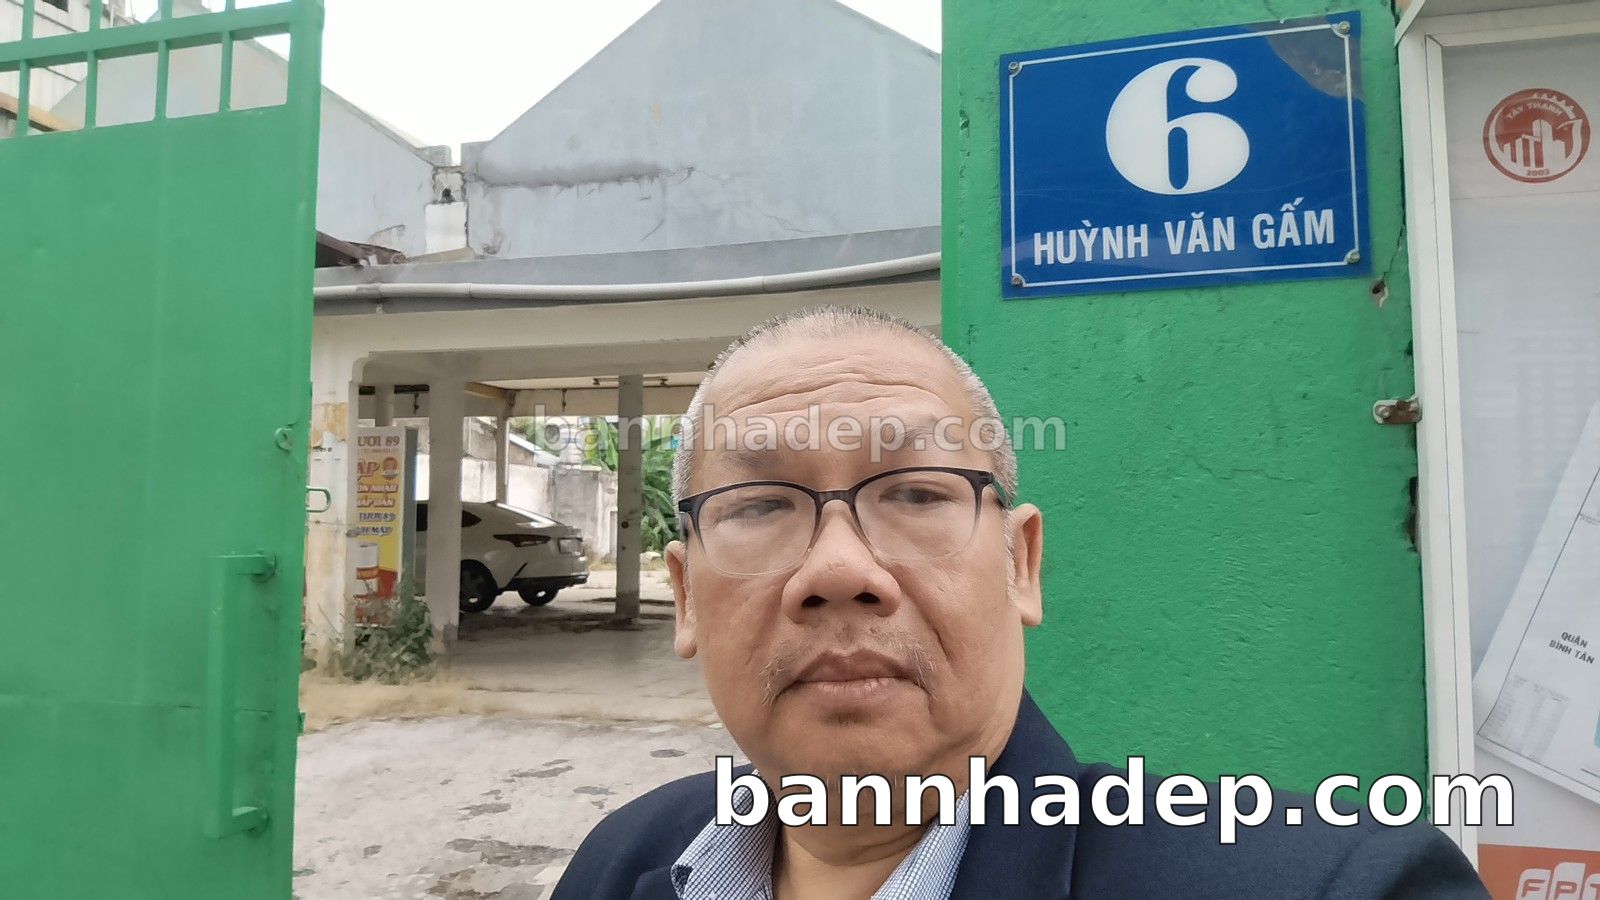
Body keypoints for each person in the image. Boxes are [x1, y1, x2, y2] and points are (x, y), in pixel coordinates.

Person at [553, 306, 1489, 899]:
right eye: (760, 506)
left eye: (915, 492)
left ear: (1020, 564)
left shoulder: (1339, 885)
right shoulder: (618, 863)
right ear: (685, 594)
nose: (838, 570)